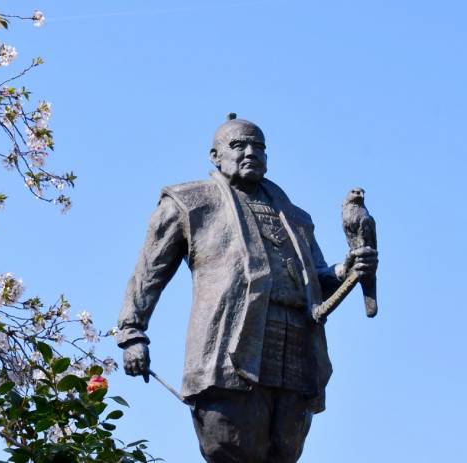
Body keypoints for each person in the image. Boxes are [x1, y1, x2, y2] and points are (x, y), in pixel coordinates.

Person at [117, 114, 378, 463]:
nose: (250, 151)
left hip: (295, 344)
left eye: (258, 146)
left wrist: (348, 269)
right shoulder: (190, 202)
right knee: (226, 441)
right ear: (215, 155)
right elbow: (149, 271)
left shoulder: (295, 216)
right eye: (238, 144)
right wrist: (133, 333)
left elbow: (316, 277)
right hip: (228, 344)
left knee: (285, 450)